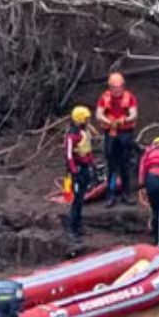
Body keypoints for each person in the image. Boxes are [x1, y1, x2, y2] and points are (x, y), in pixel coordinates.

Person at [95, 71, 140, 206]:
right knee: (112, 167)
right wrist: (110, 122)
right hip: (111, 133)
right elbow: (98, 114)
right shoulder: (105, 97)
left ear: (123, 86)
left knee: (125, 165)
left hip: (125, 133)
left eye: (119, 87)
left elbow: (133, 114)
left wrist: (123, 120)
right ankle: (111, 195)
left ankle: (127, 194)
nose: (117, 90)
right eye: (114, 87)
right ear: (110, 87)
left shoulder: (129, 97)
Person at [63, 105, 100, 248]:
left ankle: (78, 226)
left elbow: (88, 151)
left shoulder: (84, 133)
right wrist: (74, 171)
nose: (88, 121)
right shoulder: (72, 135)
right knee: (76, 200)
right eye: (86, 119)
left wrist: (92, 165)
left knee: (81, 199)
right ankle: (73, 229)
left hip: (84, 169)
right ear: (79, 119)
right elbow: (69, 155)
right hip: (76, 171)